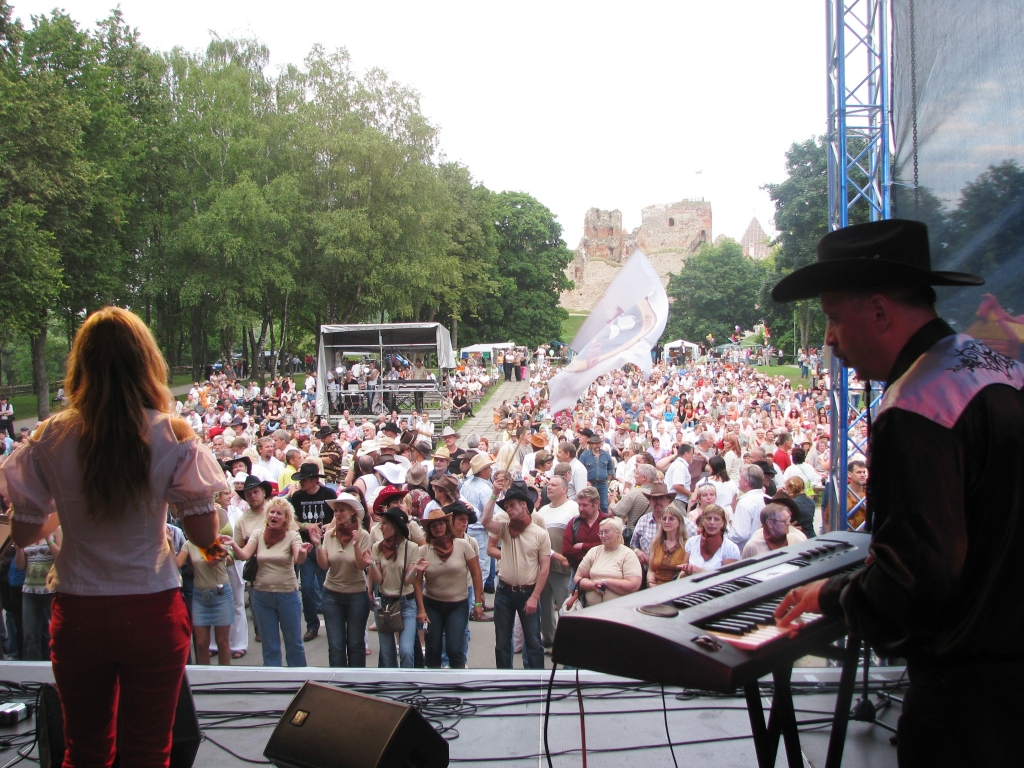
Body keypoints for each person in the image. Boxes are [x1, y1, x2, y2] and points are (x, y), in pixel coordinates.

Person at [770, 218, 1024, 767]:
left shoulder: (917, 407)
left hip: (973, 703)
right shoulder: (1002, 368)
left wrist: (833, 596)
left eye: (835, 318)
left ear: (880, 312)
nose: (830, 339)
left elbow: (918, 580)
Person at [0, 306, 228, 766]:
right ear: (147, 361)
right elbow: (203, 531)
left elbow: (24, 533)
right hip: (150, 608)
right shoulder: (174, 434)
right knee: (149, 752)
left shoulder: (47, 437)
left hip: (79, 610)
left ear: (81, 363)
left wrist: (66, 511)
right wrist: (214, 547)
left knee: (84, 749)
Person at [225, 497, 311, 667]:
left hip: (287, 594)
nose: (274, 515)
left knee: (293, 643)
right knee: (270, 646)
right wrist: (233, 545)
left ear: (286, 518)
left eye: (279, 513)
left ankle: (299, 680)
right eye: (271, 512)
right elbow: (244, 555)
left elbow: (298, 559)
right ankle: (274, 681)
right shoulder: (258, 534)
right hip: (262, 596)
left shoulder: (292, 536)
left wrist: (302, 551)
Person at [481, 478, 550, 669]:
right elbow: (485, 521)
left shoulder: (540, 533)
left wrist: (535, 597)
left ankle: (538, 682)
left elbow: (545, 567)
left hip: (528, 592)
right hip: (504, 592)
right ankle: (504, 678)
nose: (509, 509)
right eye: (507, 506)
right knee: (502, 642)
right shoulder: (504, 528)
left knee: (534, 642)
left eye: (512, 505)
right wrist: (494, 495)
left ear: (524, 506)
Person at [307, 493, 373, 667]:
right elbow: (324, 565)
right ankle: (336, 685)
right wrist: (317, 545)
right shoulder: (329, 535)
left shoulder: (363, 535)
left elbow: (360, 566)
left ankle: (356, 685)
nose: (337, 514)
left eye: (341, 510)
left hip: (356, 594)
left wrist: (357, 544)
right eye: (335, 511)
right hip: (332, 594)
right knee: (336, 645)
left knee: (355, 643)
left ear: (351, 512)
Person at [417, 508, 484, 669]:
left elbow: (476, 573)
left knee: (455, 648)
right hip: (432, 604)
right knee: (433, 649)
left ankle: (458, 683)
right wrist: (421, 610)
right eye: (434, 525)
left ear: (447, 525)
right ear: (429, 530)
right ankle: (433, 687)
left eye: (441, 524)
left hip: (458, 604)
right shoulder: (423, 550)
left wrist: (478, 603)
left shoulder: (463, 545)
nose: (438, 528)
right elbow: (416, 582)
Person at [288, 462, 337, 641]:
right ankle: (312, 625)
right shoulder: (297, 497)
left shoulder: (328, 495)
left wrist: (327, 528)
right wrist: (305, 526)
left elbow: (337, 516)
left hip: (326, 546)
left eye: (305, 480)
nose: (301, 483)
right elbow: (292, 521)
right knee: (307, 587)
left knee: (329, 586)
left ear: (315, 480)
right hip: (306, 547)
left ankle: (333, 624)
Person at [370, 506, 423, 668]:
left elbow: (408, 581)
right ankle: (391, 687)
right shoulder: (377, 547)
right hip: (385, 602)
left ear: (396, 527)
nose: (381, 527)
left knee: (407, 651)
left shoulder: (411, 548)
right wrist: (371, 563)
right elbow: (378, 580)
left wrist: (415, 570)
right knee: (387, 654)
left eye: (385, 523)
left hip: (406, 603)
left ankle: (408, 685)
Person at [175, 522, 234, 666]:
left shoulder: (219, 540)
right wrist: (170, 543)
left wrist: (212, 542)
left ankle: (224, 680)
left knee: (222, 641)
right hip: (200, 596)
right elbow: (177, 564)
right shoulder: (189, 543)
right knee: (201, 642)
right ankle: (205, 680)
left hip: (221, 595)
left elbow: (211, 561)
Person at [535, 475, 578, 647]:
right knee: (544, 605)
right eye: (548, 484)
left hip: (564, 566)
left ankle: (567, 641)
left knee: (563, 604)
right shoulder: (543, 511)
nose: (549, 487)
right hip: (544, 565)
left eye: (554, 485)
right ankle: (549, 639)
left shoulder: (573, 508)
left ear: (564, 489)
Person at [569, 517, 641, 607]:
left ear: (618, 533)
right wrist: (592, 585)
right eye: (600, 533)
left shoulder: (628, 554)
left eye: (607, 532)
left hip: (619, 608)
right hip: (590, 608)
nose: (603, 535)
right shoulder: (593, 552)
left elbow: (634, 585)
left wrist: (606, 582)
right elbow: (578, 577)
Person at [679, 505, 740, 575]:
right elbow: (683, 572)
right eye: (708, 518)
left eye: (716, 519)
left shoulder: (731, 548)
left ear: (723, 523)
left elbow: (726, 579)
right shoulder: (692, 542)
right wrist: (687, 572)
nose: (712, 522)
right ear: (702, 522)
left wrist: (698, 571)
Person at [741, 500, 808, 559]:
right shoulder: (753, 546)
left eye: (788, 519)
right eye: (784, 521)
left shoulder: (796, 539)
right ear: (770, 524)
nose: (788, 523)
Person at [647, 504, 688, 587]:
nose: (666, 522)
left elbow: (685, 573)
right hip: (656, 588)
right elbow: (651, 570)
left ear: (679, 522)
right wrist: (651, 583)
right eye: (664, 519)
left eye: (671, 519)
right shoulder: (656, 543)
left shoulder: (686, 545)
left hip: (677, 587)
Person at [578, 434, 615, 512]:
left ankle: (604, 522)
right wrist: (586, 481)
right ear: (591, 444)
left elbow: (610, 468)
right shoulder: (584, 455)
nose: (597, 445)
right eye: (595, 443)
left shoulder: (606, 455)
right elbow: (579, 470)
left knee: (604, 505)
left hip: (602, 483)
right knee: (589, 504)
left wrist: (608, 481)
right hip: (590, 484)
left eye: (599, 443)